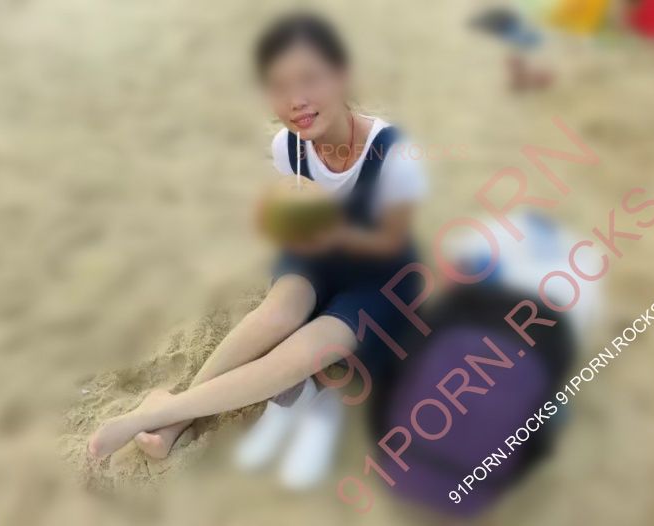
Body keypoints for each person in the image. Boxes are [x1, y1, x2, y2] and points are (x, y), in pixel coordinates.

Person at [88, 12, 427, 460]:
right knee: (275, 315)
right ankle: (175, 419)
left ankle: (155, 414)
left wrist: (330, 227)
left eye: (310, 80)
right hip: (318, 257)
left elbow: (396, 243)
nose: (297, 101)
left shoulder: (396, 152)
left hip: (378, 278)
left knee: (301, 354)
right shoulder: (287, 147)